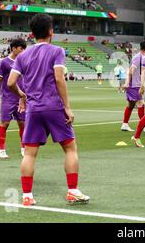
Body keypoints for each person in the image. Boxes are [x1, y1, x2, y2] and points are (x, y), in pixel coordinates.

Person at [7, 14, 89, 206]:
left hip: (33, 109)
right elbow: (59, 78)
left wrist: (22, 95)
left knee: (29, 154)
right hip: (54, 107)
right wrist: (67, 107)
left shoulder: (23, 55)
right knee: (70, 148)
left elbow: (11, 82)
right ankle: (72, 191)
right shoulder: (57, 51)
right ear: (51, 31)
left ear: (32, 33)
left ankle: (27, 196)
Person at [0, 39, 27, 159]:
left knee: (22, 124)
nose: (23, 51)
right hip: (7, 98)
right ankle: (2, 150)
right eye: (21, 48)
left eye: (24, 49)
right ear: (13, 48)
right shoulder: (4, 62)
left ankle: (23, 148)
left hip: (21, 99)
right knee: (5, 123)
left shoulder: (24, 62)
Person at [121, 40, 145, 132]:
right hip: (134, 85)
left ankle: (125, 124)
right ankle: (144, 126)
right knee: (141, 104)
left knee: (131, 105)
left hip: (136, 84)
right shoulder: (138, 58)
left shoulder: (143, 57)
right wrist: (126, 83)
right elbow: (130, 71)